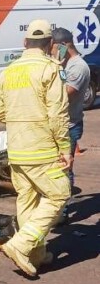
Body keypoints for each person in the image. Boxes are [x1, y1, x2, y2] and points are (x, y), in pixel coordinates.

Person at [0, 19, 72, 277]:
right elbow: (58, 114)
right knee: (59, 194)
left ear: (25, 42)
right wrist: (65, 147)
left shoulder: (8, 71)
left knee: (27, 201)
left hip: (17, 149)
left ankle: (36, 255)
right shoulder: (50, 69)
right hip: (42, 148)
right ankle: (21, 244)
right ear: (50, 44)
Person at [51, 27, 90, 225]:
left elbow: (64, 94)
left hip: (70, 125)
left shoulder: (79, 67)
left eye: (53, 47)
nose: (50, 52)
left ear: (63, 46)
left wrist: (55, 66)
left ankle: (63, 212)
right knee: (55, 167)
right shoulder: (65, 64)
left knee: (65, 168)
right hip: (58, 124)